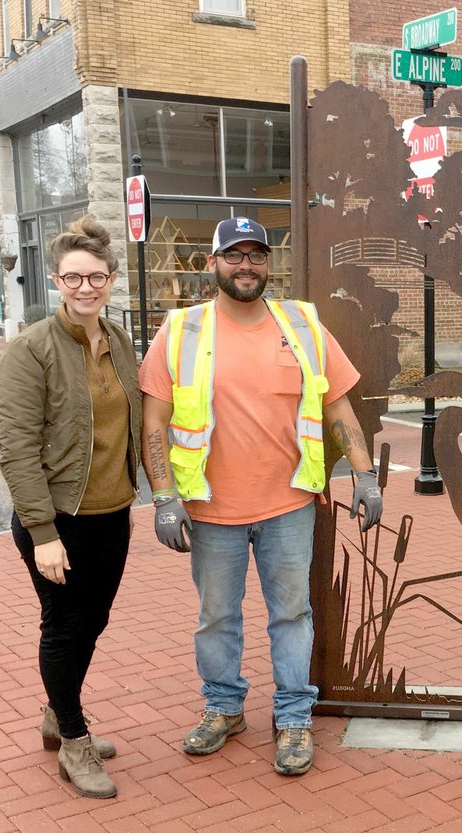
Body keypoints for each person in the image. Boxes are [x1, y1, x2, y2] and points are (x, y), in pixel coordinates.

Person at [139, 216, 382, 776]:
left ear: (268, 264)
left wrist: (365, 476)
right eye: (234, 254)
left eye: (256, 255)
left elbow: (338, 407)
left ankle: (294, 717)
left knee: (291, 613)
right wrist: (164, 496)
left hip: (289, 506)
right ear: (212, 264)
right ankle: (224, 708)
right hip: (210, 509)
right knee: (216, 616)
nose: (245, 265)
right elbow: (155, 421)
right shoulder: (180, 332)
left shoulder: (302, 326)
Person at [0, 217, 142, 799]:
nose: (86, 287)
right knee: (64, 628)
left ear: (110, 280)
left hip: (112, 514)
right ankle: (73, 740)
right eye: (74, 277)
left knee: (94, 622)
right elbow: (17, 449)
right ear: (57, 280)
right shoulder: (31, 349)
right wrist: (42, 533)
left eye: (97, 277)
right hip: (56, 521)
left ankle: (59, 712)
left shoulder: (121, 340)